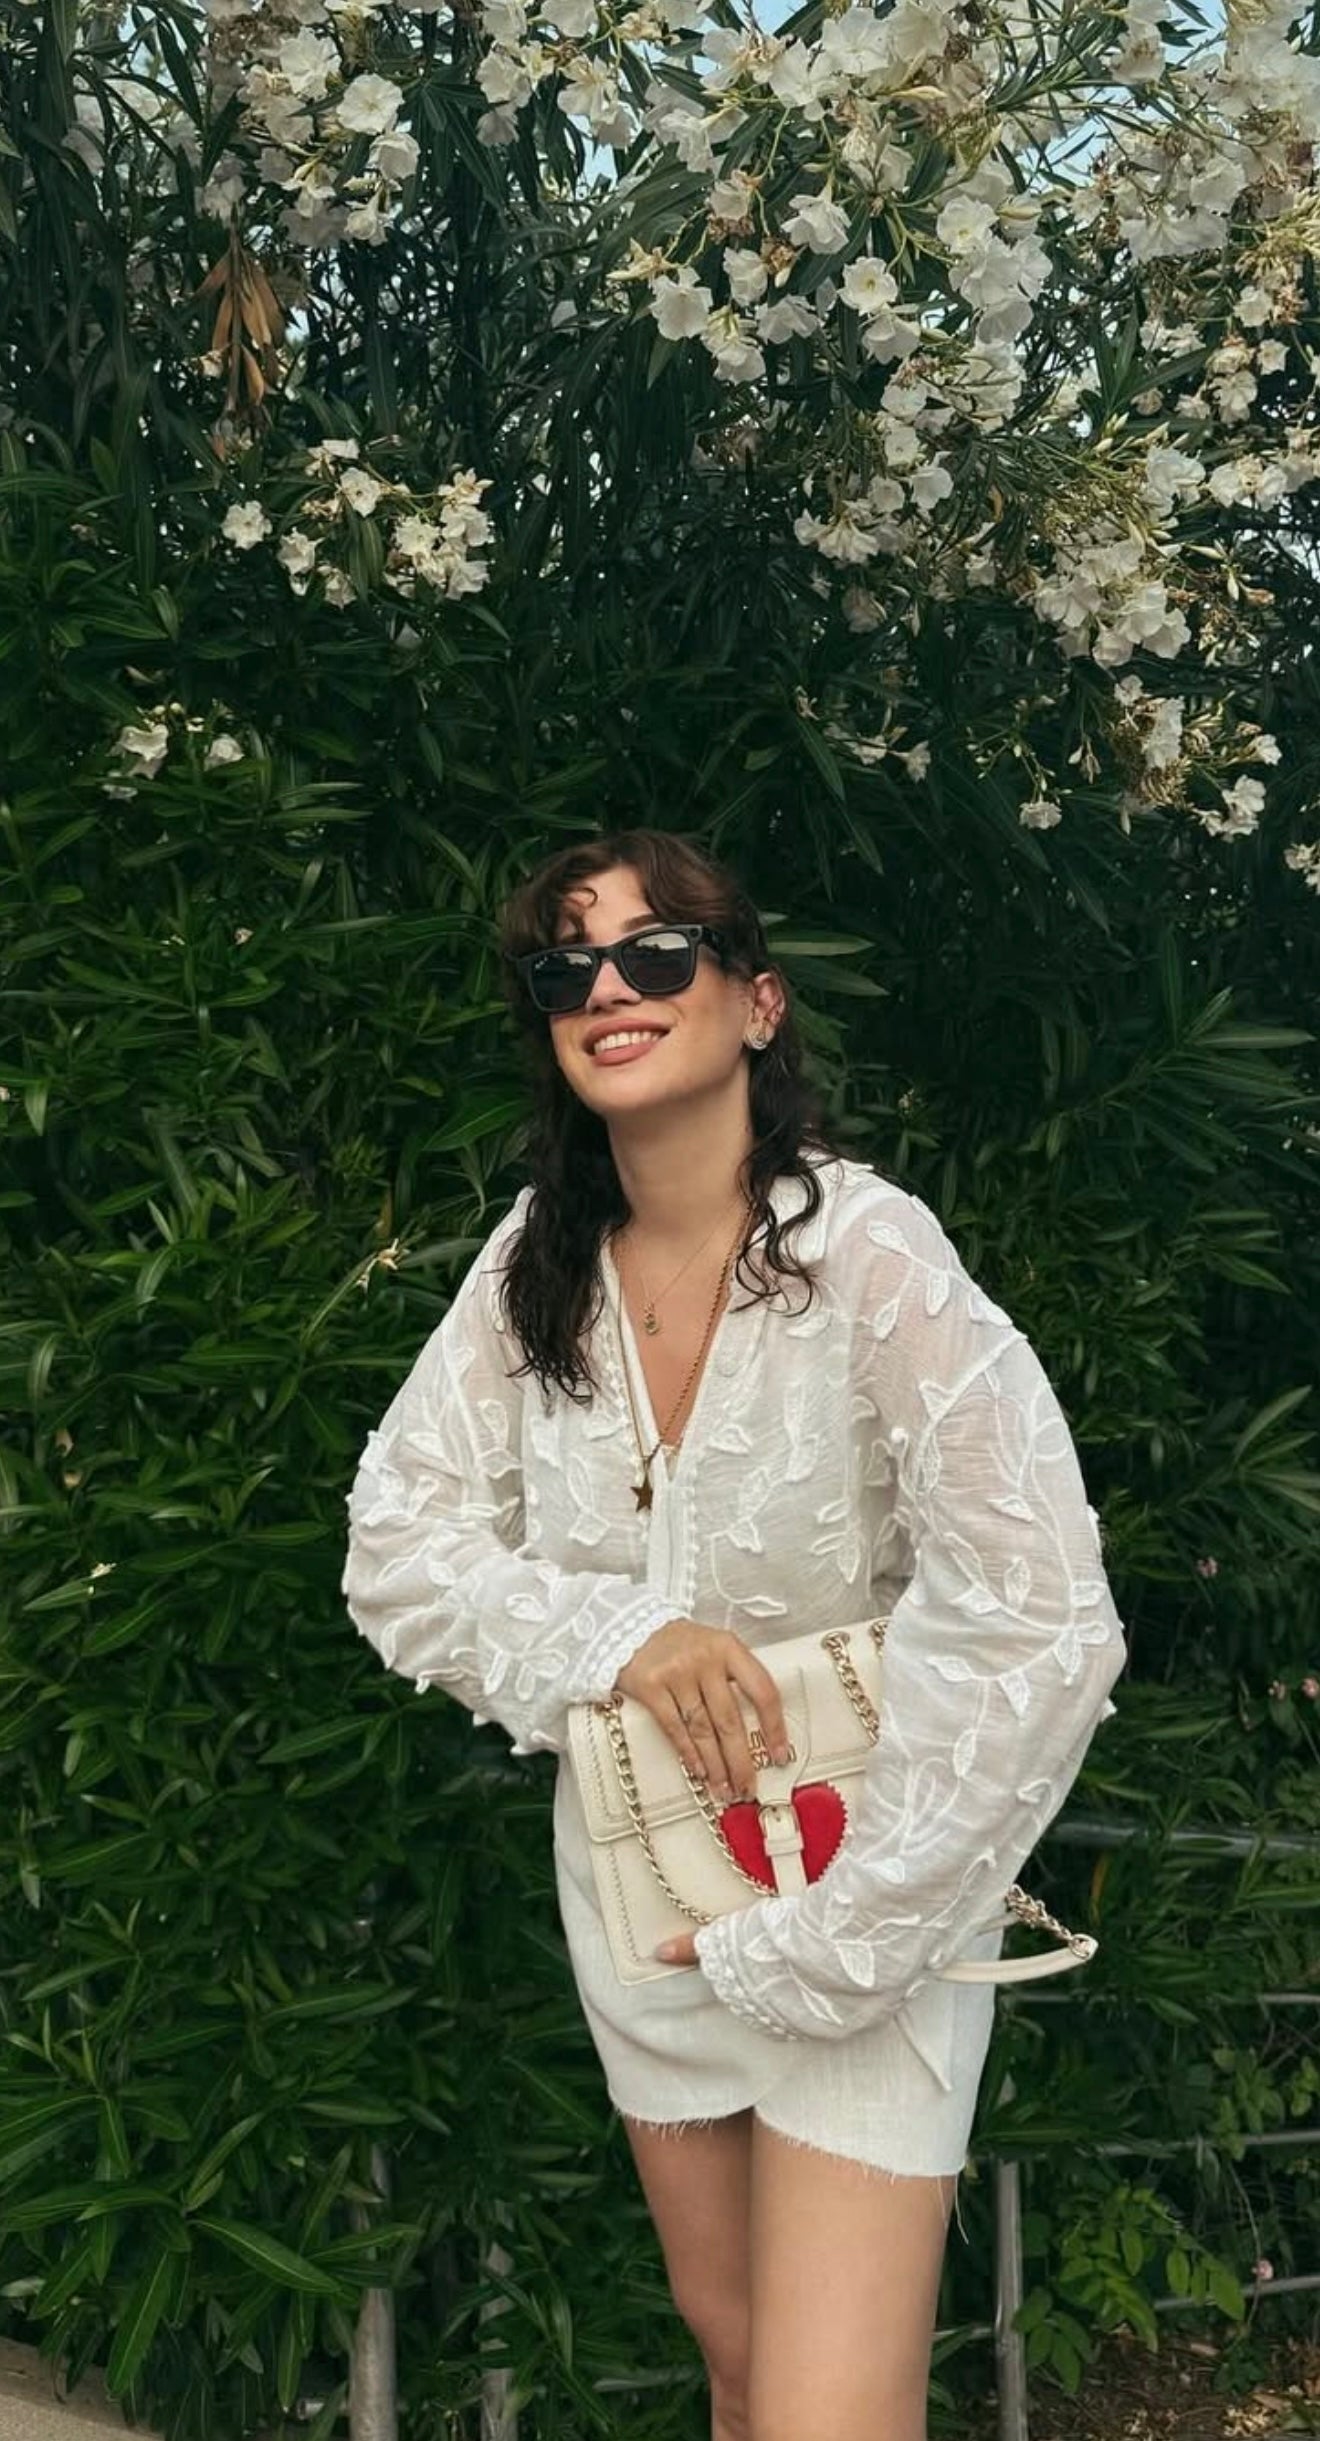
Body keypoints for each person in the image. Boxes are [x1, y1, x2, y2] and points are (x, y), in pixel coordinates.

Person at [341, 826, 1127, 2441]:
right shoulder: (533, 1272)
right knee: (747, 2368)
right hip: (652, 1892)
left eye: (654, 951)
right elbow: (395, 1547)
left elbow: (1044, 1607)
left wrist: (848, 1932)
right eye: (565, 966)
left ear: (757, 1002)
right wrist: (619, 1630)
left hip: (868, 1890)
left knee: (827, 2413)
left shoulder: (868, 1253)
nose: (607, 988)